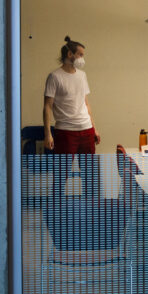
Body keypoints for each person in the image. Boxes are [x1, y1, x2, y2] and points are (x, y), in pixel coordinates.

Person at [43, 36, 100, 195]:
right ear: (70, 54)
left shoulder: (82, 75)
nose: (82, 58)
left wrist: (94, 128)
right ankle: (57, 210)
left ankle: (91, 209)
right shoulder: (54, 76)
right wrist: (47, 134)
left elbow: (86, 103)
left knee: (90, 174)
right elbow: (47, 106)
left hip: (86, 130)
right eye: (80, 54)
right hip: (66, 132)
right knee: (61, 174)